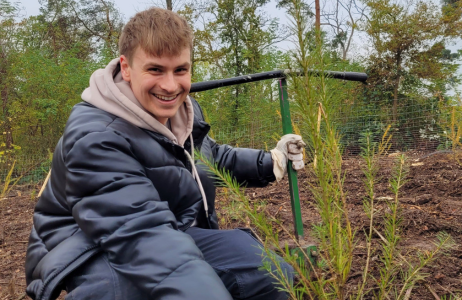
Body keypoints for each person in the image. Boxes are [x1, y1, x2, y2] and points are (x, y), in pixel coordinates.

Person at [25, 7, 305, 300]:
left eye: (180, 70)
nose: (170, 86)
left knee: (267, 271)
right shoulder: (97, 138)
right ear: (126, 67)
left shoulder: (181, 112)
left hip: (167, 228)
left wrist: (272, 160)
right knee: (128, 291)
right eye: (155, 69)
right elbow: (142, 237)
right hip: (87, 246)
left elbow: (209, 157)